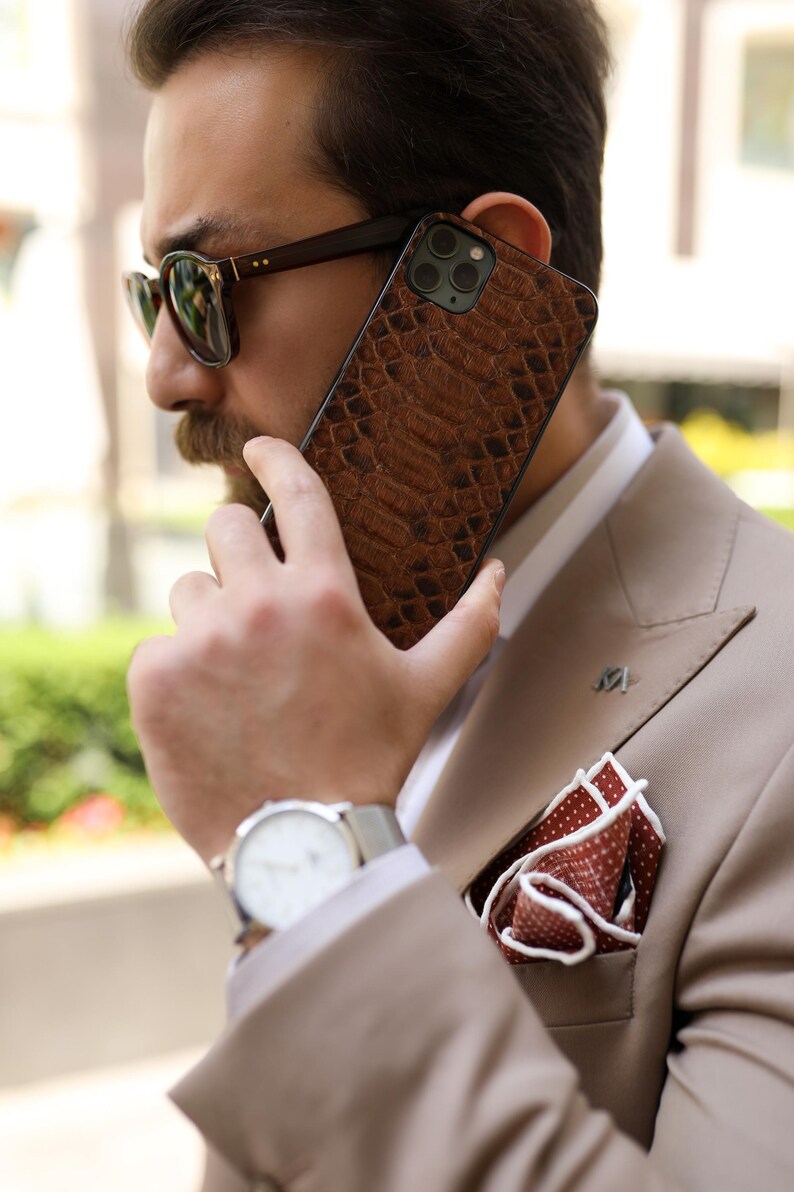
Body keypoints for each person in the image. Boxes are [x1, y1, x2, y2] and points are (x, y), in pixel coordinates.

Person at [122, 2, 794, 1189]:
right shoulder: (333, 649)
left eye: (206, 282)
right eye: (151, 295)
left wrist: (315, 856)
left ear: (477, 272)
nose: (168, 371)